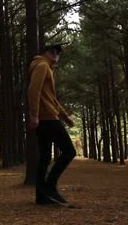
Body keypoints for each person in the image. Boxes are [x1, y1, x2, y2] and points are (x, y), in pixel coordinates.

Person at [28, 44, 76, 206]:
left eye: (58, 52)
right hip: (46, 118)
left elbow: (52, 99)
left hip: (47, 117)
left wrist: (66, 118)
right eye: (52, 51)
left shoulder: (47, 68)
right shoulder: (42, 65)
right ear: (44, 53)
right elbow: (33, 91)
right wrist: (34, 115)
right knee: (69, 151)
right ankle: (50, 187)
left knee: (45, 158)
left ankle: (41, 197)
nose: (56, 54)